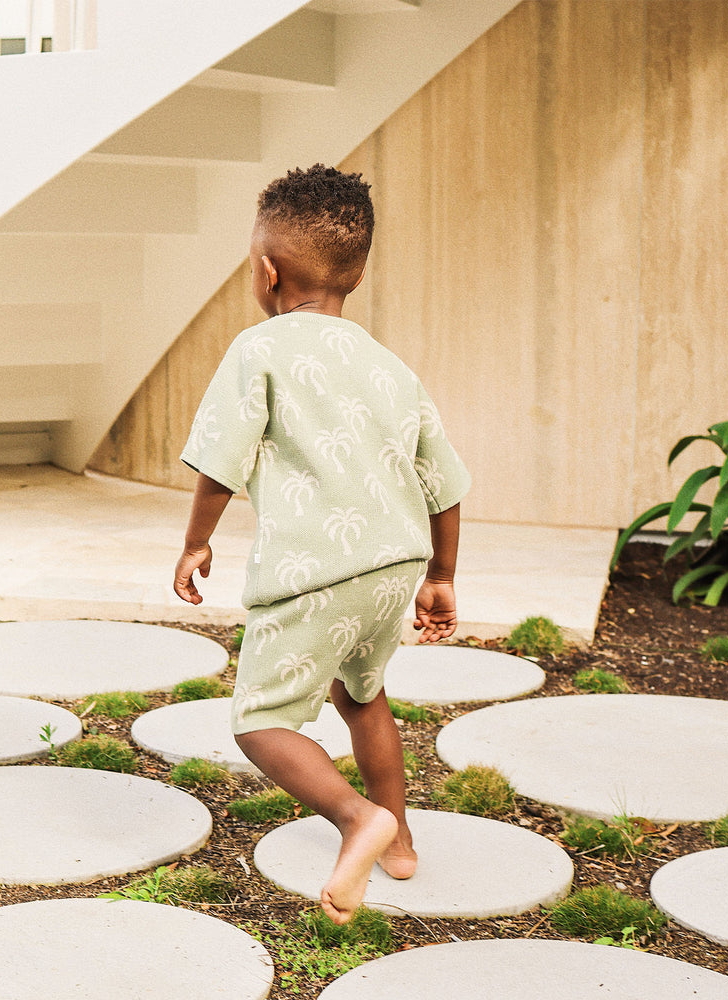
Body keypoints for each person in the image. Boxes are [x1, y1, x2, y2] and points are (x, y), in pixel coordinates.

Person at [173, 164, 470, 925]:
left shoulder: (259, 349)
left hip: (315, 569)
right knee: (362, 697)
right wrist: (441, 575)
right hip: (394, 564)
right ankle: (399, 840)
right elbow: (444, 481)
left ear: (266, 271)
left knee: (260, 721)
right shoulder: (391, 367)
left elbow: (219, 462)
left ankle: (354, 818)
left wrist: (196, 544)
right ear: (357, 275)